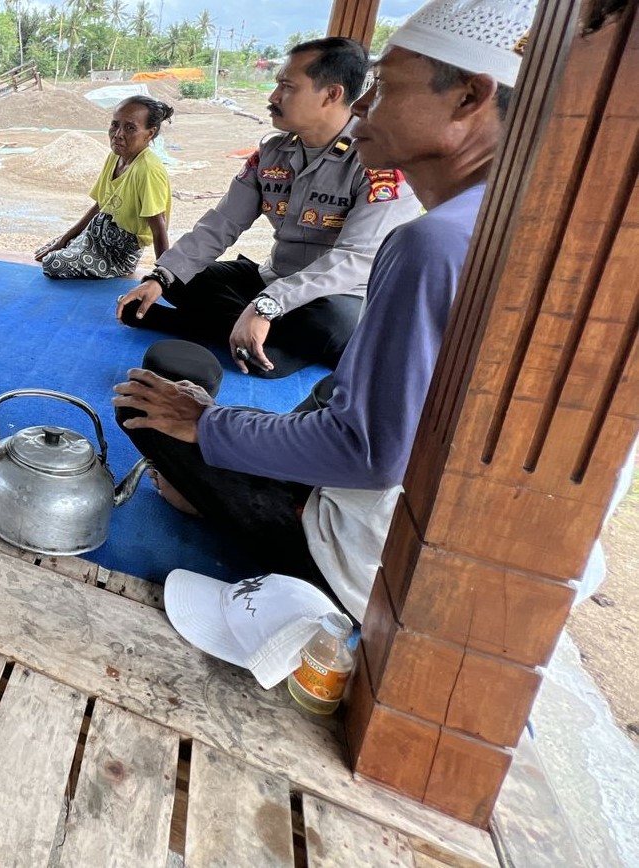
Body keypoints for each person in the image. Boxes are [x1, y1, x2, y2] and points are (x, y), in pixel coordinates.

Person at [110, 0, 537, 621]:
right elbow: (217, 227)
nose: (364, 106)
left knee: (147, 409)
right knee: (209, 288)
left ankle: (249, 472)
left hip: (362, 560)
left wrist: (209, 425)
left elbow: (366, 453)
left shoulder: (427, 238)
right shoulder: (492, 215)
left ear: (469, 98)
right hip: (414, 523)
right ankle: (250, 349)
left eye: (385, 86)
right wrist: (164, 276)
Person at [115, 37, 422, 379]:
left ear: (331, 94)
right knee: (183, 278)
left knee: (331, 326)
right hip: (272, 277)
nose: (273, 97)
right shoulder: (273, 153)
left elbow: (355, 259)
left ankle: (240, 333)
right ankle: (259, 342)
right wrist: (162, 277)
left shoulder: (377, 163)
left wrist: (269, 304)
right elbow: (222, 223)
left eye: (286, 86)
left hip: (338, 296)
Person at [33, 96, 173, 280]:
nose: (118, 134)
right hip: (97, 236)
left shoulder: (148, 169)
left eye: (130, 128)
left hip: (118, 254)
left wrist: (161, 276)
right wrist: (64, 239)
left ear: (150, 134)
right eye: (115, 125)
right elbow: (100, 205)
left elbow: (158, 227)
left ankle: (96, 258)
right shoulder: (115, 157)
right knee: (49, 251)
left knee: (53, 263)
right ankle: (76, 247)